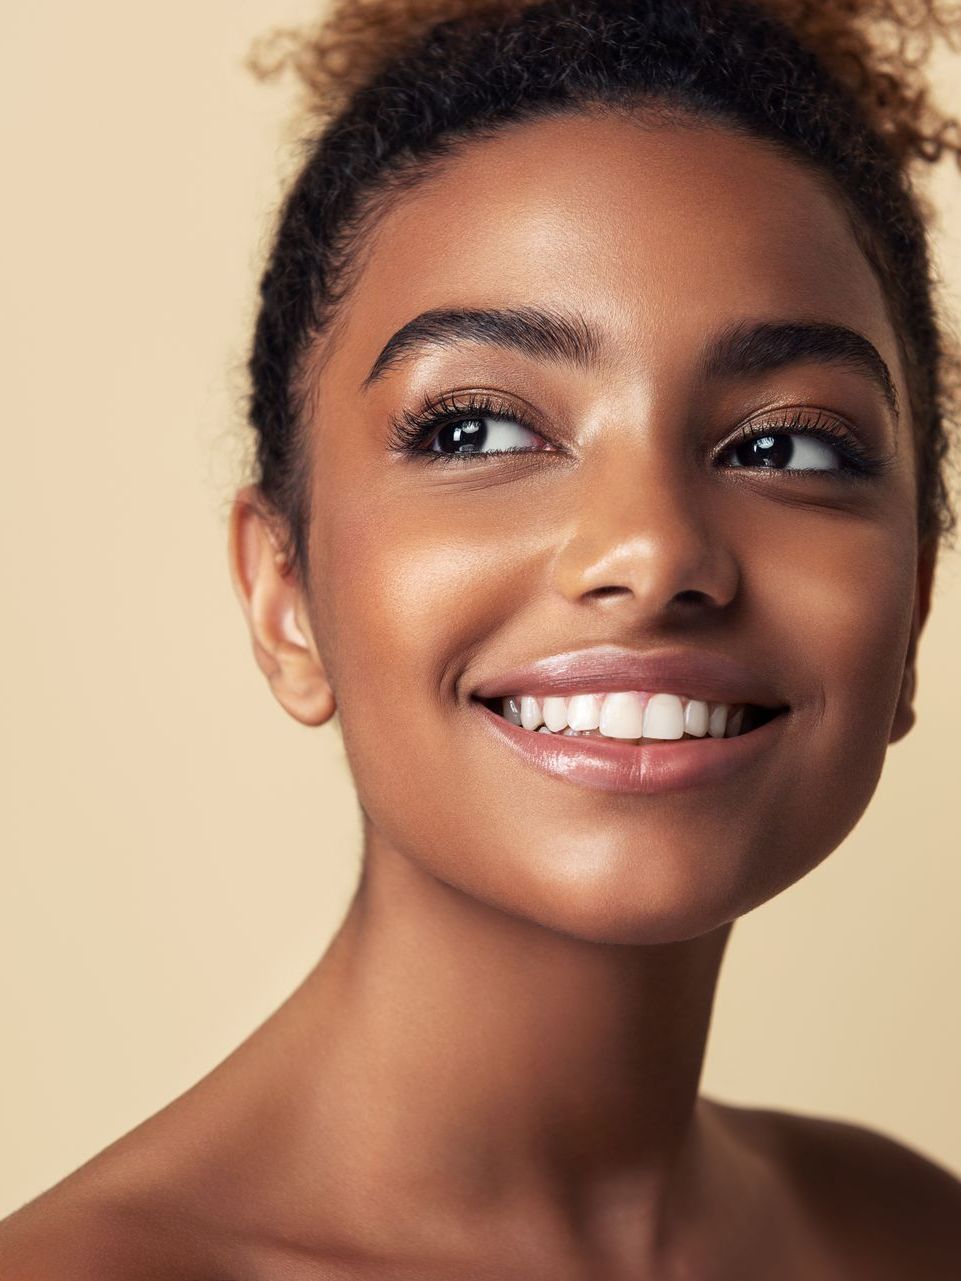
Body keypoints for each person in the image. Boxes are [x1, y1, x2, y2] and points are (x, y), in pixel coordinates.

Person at [2, 0, 960, 1275]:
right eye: (478, 432)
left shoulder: (910, 1231)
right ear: (283, 590)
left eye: (784, 444)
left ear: (910, 612)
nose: (653, 549)